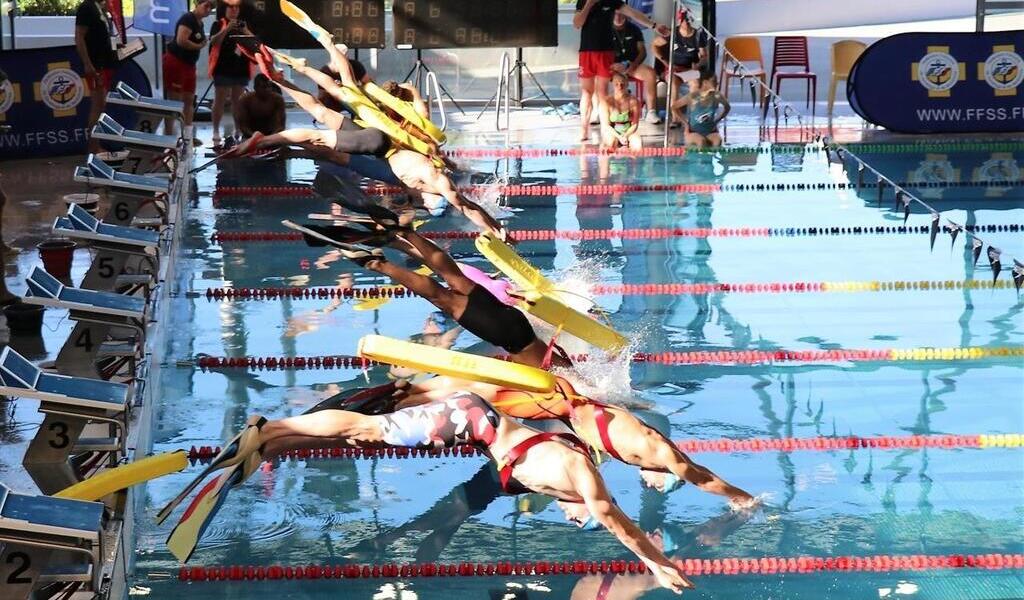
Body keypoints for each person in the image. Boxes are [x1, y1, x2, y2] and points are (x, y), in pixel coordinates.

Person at [162, 393, 695, 593]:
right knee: (368, 430)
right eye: (576, 515)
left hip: (470, 417)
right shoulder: (583, 475)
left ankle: (273, 444)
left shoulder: (559, 465)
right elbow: (615, 520)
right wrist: (657, 564)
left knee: (360, 434)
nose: (573, 518)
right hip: (466, 417)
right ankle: (269, 427)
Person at [321, 374, 754, 506]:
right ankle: (389, 401)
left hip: (555, 401)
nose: (652, 483)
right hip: (547, 403)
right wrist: (740, 497)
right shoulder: (659, 453)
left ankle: (397, 397)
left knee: (469, 397)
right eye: (659, 481)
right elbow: (700, 476)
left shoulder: (640, 441)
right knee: (470, 397)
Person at [283, 210, 572, 370]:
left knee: (452, 278)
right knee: (444, 298)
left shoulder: (566, 371)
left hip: (515, 326)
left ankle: (406, 233)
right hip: (511, 335)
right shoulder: (565, 380)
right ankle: (379, 264)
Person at [573, 0, 667, 142]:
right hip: (587, 51)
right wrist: (588, 5)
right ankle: (584, 129)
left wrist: (653, 26)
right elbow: (577, 23)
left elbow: (633, 13)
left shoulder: (612, 1)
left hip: (605, 52)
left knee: (602, 92)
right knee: (587, 91)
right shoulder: (583, 1)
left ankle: (605, 128)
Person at [162, 0, 214, 137]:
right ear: (197, 4)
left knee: (189, 99)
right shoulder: (188, 19)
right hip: (176, 62)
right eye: (206, 6)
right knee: (174, 99)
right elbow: (181, 40)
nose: (208, 10)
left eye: (211, 7)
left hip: (189, 65)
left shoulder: (200, 23)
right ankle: (169, 134)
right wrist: (198, 46)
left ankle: (187, 135)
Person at [74, 0, 119, 152]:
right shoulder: (86, 7)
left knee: (101, 105)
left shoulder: (100, 8)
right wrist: (87, 64)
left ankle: (96, 144)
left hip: (105, 63)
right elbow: (79, 37)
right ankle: (93, 147)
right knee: (97, 106)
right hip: (96, 65)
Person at [652, 7, 708, 127]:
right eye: (683, 20)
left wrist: (698, 64)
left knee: (695, 83)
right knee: (673, 84)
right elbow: (654, 45)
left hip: (689, 69)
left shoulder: (698, 35)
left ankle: (694, 117)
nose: (686, 22)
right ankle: (675, 118)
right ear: (679, 21)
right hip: (674, 69)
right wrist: (665, 62)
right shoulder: (672, 34)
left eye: (688, 20)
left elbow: (704, 56)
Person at [208, 0, 252, 147]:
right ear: (225, 9)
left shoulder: (243, 24)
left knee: (237, 100)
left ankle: (238, 129)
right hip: (222, 67)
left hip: (240, 67)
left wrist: (245, 31)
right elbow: (214, 42)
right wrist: (226, 29)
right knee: (220, 99)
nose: (234, 10)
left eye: (236, 7)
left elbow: (254, 43)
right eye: (230, 7)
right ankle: (215, 131)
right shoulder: (218, 24)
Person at [611, 11, 660, 124]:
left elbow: (642, 52)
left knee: (650, 73)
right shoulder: (605, 29)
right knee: (597, 75)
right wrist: (613, 66)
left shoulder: (634, 29)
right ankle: (599, 110)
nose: (618, 17)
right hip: (612, 67)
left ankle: (651, 112)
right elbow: (601, 52)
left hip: (631, 65)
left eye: (621, 14)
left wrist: (634, 64)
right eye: (616, 14)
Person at [682, 72, 729, 148]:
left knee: (718, 142)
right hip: (693, 132)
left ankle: (709, 158)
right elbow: (674, 107)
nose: (716, 84)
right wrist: (685, 123)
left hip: (710, 132)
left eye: (716, 82)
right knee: (701, 142)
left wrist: (718, 120)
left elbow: (727, 107)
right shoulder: (693, 96)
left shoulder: (717, 96)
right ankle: (700, 159)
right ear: (705, 83)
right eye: (713, 82)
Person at [600, 72, 642, 150]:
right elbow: (606, 125)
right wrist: (619, 137)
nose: (620, 87)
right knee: (611, 143)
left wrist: (625, 136)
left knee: (638, 145)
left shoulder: (633, 101)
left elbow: (634, 125)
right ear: (612, 84)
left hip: (629, 131)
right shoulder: (606, 101)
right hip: (612, 132)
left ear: (627, 84)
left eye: (622, 84)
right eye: (617, 84)